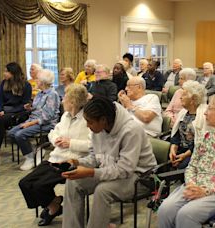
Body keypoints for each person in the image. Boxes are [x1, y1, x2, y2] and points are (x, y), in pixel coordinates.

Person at [158, 90, 215, 228]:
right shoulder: (204, 136)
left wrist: (206, 191)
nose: (205, 112)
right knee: (165, 210)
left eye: (210, 108)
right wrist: (191, 185)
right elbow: (192, 166)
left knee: (186, 215)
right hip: (194, 186)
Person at [61, 96, 157, 228]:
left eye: (90, 122)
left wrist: (91, 172)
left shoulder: (131, 130)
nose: (87, 126)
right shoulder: (98, 129)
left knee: (103, 191)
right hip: (114, 172)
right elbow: (96, 158)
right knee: (73, 183)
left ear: (103, 120)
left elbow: (124, 170)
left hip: (141, 177)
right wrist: (77, 162)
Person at [18, 84, 90, 226]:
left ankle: (52, 208)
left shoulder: (88, 119)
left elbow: (93, 145)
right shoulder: (65, 116)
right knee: (25, 183)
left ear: (73, 102)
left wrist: (71, 143)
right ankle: (54, 204)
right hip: (55, 157)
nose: (62, 101)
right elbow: (53, 132)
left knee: (38, 186)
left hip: (71, 162)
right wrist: (55, 139)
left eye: (65, 98)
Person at [8, 69, 60, 171]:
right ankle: (35, 151)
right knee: (11, 133)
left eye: (37, 79)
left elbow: (47, 117)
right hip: (34, 120)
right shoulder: (40, 93)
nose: (35, 80)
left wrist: (29, 124)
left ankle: (30, 158)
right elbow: (37, 109)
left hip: (47, 123)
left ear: (43, 82)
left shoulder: (52, 94)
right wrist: (30, 108)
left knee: (19, 134)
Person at [0, 62, 32, 170]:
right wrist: (1, 110)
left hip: (20, 113)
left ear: (13, 73)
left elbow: (24, 105)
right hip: (5, 112)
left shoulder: (26, 85)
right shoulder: (3, 83)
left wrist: (7, 112)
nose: (4, 73)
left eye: (6, 71)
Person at [169, 81, 207, 169]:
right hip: (181, 148)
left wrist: (185, 155)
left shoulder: (204, 115)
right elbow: (176, 134)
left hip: (196, 152)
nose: (181, 97)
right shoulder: (183, 112)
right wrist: (173, 148)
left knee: (182, 166)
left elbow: (201, 142)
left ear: (193, 99)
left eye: (184, 95)